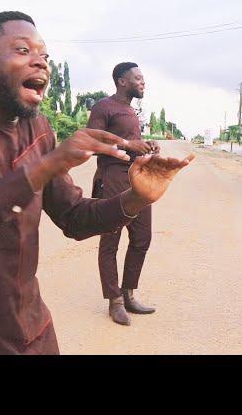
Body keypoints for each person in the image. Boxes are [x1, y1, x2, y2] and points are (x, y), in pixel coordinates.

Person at [0, 11, 193, 354]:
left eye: (45, 56)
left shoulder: (38, 129)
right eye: (23, 51)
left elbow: (73, 217)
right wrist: (44, 167)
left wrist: (135, 199)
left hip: (28, 326)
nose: (40, 63)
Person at [87, 62, 159, 326]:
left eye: (143, 78)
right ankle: (114, 301)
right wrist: (128, 144)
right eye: (138, 78)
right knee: (111, 240)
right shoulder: (104, 107)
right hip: (111, 177)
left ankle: (129, 294)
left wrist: (146, 149)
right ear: (121, 81)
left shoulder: (130, 110)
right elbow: (91, 141)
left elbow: (132, 146)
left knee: (142, 237)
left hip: (136, 178)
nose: (143, 82)